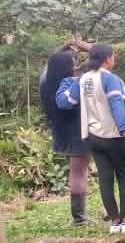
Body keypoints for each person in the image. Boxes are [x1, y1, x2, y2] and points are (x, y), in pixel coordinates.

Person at [56, 44, 125, 234]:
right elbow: (117, 108)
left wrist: (64, 85)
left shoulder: (83, 79)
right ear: (107, 59)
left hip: (93, 137)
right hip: (114, 136)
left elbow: (65, 102)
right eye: (113, 56)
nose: (114, 59)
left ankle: (115, 222)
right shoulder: (111, 80)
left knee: (105, 178)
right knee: (124, 176)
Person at [43, 51, 91, 226]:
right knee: (79, 174)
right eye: (72, 63)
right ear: (67, 67)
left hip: (60, 133)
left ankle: (79, 215)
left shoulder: (46, 83)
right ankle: (78, 217)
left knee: (76, 173)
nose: (75, 66)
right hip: (77, 133)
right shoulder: (72, 84)